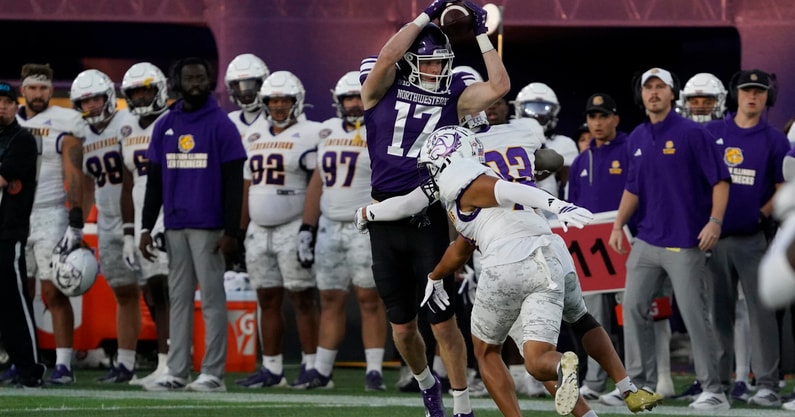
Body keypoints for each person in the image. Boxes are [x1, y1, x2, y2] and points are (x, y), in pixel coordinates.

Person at [358, 0, 509, 415]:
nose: (435, 69)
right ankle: (428, 386)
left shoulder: (454, 98)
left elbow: (498, 87)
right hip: (386, 222)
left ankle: (461, 403)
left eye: (442, 61)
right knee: (403, 328)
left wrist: (480, 34)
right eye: (427, 62)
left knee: (443, 322)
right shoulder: (378, 91)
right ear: (410, 62)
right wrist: (425, 15)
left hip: (427, 219)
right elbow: (388, 55)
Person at [607, 67, 731, 411]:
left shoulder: (693, 133)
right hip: (647, 240)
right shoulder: (637, 137)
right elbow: (632, 187)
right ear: (641, 95)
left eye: (660, 87)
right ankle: (637, 386)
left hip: (686, 241)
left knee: (694, 316)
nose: (654, 93)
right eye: (649, 87)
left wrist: (715, 222)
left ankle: (714, 390)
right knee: (631, 308)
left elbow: (720, 180)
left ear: (672, 94)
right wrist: (618, 225)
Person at [140, 57, 246, 392]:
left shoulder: (222, 124)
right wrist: (145, 227)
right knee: (179, 299)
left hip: (210, 227)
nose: (196, 83)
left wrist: (232, 232)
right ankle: (176, 371)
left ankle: (213, 374)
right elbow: (154, 180)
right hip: (174, 225)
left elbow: (234, 182)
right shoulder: (165, 124)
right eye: (190, 78)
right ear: (177, 82)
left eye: (201, 77)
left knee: (212, 299)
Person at [295, 71, 388, 391]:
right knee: (330, 298)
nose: (353, 103)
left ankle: (374, 370)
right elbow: (317, 181)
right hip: (330, 227)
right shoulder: (325, 130)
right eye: (348, 98)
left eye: (357, 97)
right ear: (338, 100)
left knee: (369, 299)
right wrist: (307, 227)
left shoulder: (380, 130)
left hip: (364, 224)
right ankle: (321, 370)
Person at [703, 68, 788, 407]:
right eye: (747, 90)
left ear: (768, 97)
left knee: (761, 311)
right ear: (736, 94)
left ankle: (767, 383)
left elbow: (784, 187)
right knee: (718, 313)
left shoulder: (775, 139)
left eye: (759, 91)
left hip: (753, 238)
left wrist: (763, 213)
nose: (753, 96)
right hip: (715, 237)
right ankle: (719, 385)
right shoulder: (712, 132)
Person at [234, 70, 321, 389]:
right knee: (266, 298)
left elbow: (318, 182)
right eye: (273, 100)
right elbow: (247, 183)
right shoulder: (253, 132)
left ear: (297, 101)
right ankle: (271, 368)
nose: (279, 106)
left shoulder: (313, 132)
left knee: (302, 297)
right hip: (259, 228)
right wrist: (241, 230)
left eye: (285, 100)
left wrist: (308, 228)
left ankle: (313, 367)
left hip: (293, 225)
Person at [678, 71, 755, 403]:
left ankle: (743, 375)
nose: (699, 106)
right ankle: (705, 375)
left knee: (736, 308)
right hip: (690, 231)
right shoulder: (678, 133)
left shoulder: (728, 131)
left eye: (706, 100)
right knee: (701, 308)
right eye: (694, 100)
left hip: (726, 229)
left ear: (720, 101)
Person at [10, 63, 88, 385]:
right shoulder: (9, 120)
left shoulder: (67, 120)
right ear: (22, 91)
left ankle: (64, 364)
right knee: (18, 293)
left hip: (50, 212)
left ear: (51, 89)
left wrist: (75, 219)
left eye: (43, 88)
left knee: (52, 291)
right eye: (32, 88)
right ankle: (24, 361)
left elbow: (75, 173)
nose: (38, 94)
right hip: (15, 213)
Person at [69, 69, 142, 383]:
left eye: (96, 98)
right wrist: (79, 226)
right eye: (85, 101)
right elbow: (85, 187)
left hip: (141, 220)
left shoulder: (129, 123)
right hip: (108, 222)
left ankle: (170, 361)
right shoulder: (82, 136)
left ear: (109, 97)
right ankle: (125, 363)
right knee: (124, 293)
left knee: (158, 292)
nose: (93, 106)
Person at [118, 62, 172, 386]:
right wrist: (129, 232)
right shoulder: (126, 127)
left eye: (146, 90)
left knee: (166, 289)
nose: (140, 97)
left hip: (168, 211)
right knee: (152, 292)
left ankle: (171, 362)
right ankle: (164, 361)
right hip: (142, 214)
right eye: (134, 92)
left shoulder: (171, 121)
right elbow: (127, 183)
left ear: (160, 89)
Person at [0, 82, 46, 388]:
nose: (1, 107)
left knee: (13, 300)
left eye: (6, 101)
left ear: (15, 106)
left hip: (7, 231)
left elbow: (4, 179)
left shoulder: (23, 139)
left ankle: (30, 367)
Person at [512, 81, 579, 200]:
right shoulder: (508, 136)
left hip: (549, 210)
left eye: (543, 109)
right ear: (519, 108)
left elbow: (571, 187)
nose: (537, 115)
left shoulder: (564, 144)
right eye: (531, 108)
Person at [225, 53, 270, 136]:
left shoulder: (276, 120)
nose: (246, 94)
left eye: (250, 85)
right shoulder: (228, 121)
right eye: (239, 87)